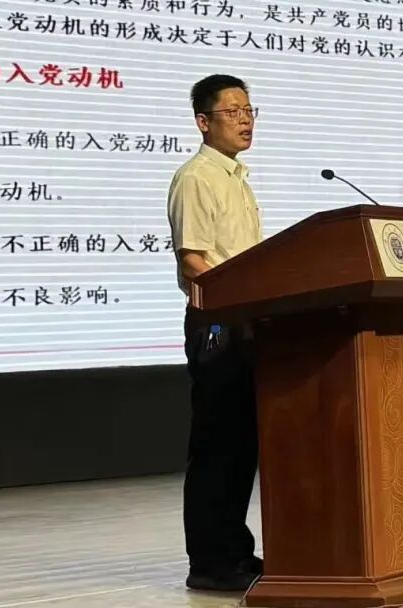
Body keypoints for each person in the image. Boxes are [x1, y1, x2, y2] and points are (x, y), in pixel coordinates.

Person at [166, 74, 263, 592]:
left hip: (245, 321)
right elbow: (195, 262)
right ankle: (208, 562)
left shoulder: (237, 178)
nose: (245, 120)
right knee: (217, 445)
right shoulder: (197, 177)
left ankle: (235, 552)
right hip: (217, 325)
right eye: (233, 111)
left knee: (241, 444)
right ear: (203, 121)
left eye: (249, 110)